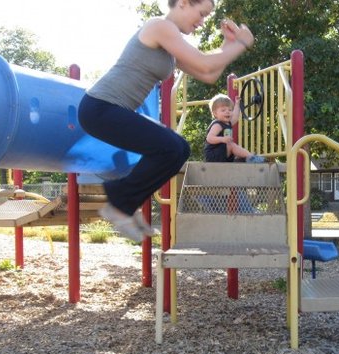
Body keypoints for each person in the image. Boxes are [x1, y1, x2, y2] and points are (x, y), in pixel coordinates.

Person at [78, 0, 254, 242]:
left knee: (179, 149)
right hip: (100, 107)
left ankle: (124, 202)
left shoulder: (171, 45)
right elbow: (205, 63)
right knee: (171, 148)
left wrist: (228, 44)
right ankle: (120, 202)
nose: (202, 22)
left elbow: (208, 74)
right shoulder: (159, 27)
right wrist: (242, 43)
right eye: (201, 14)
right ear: (182, 3)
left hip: (115, 111)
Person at [204, 94, 265, 163]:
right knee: (231, 145)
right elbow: (209, 138)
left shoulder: (228, 123)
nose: (227, 112)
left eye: (230, 110)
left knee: (235, 149)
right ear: (215, 113)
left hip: (222, 154)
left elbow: (235, 117)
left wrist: (237, 104)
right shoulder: (217, 125)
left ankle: (246, 157)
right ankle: (251, 157)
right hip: (213, 155)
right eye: (223, 110)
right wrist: (222, 139)